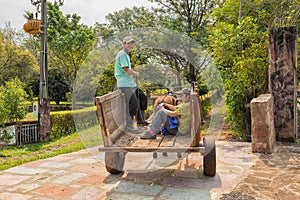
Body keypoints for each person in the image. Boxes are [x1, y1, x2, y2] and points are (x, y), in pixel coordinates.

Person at [114, 36, 140, 132]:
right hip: (124, 83)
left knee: (142, 97)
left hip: (129, 82)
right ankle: (129, 125)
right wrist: (135, 73)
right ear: (124, 44)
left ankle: (141, 120)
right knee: (133, 103)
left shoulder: (126, 55)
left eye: (131, 43)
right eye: (128, 43)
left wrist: (133, 74)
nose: (130, 45)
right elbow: (126, 69)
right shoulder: (123, 55)